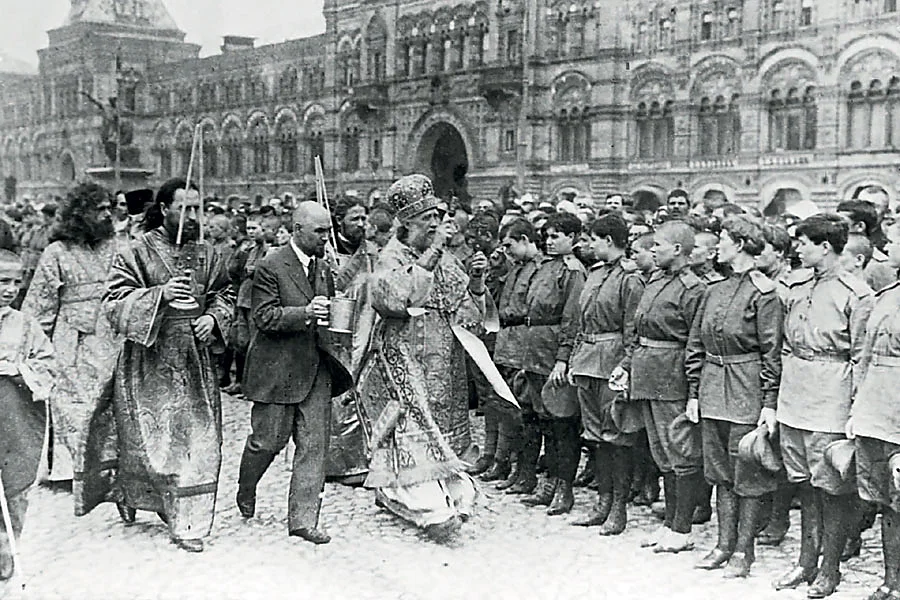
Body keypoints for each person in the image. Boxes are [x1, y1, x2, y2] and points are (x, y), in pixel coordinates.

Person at [356, 174, 494, 541]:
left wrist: (477, 283)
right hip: (403, 356)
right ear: (407, 223)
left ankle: (426, 497)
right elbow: (394, 300)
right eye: (427, 220)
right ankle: (422, 506)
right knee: (411, 430)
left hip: (441, 356)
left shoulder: (448, 259)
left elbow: (466, 309)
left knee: (440, 431)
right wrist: (432, 253)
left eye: (438, 217)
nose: (436, 225)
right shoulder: (389, 257)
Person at [103, 178, 235, 553]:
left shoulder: (208, 253)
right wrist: (158, 296)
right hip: (149, 359)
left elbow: (224, 292)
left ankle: (188, 521)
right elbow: (114, 301)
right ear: (164, 209)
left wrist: (214, 318)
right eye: (186, 208)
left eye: (199, 208)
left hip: (195, 360)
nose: (195, 216)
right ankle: (135, 494)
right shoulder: (136, 252)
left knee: (200, 440)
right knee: (152, 440)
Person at [236, 202, 352, 544]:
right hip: (278, 368)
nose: (326, 237)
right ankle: (247, 485)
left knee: (314, 445)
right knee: (267, 442)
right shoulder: (270, 265)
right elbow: (265, 317)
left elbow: (329, 309)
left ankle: (303, 519)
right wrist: (305, 311)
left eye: (328, 230)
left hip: (315, 367)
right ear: (298, 229)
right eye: (319, 231)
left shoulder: (323, 267)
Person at [773, 214, 874, 597]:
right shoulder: (796, 285)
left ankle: (830, 568)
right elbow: (784, 341)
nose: (796, 249)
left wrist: (853, 409)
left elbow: (860, 357)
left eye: (803, 243)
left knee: (831, 484)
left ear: (825, 246)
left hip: (831, 395)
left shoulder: (855, 293)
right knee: (802, 483)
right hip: (794, 391)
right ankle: (805, 561)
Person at [686, 216, 783, 578]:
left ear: (740, 245)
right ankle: (723, 545)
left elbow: (772, 353)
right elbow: (696, 344)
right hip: (713, 387)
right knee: (719, 473)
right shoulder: (713, 290)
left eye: (723, 239)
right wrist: (694, 392)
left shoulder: (764, 292)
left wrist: (769, 402)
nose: (717, 245)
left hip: (746, 388)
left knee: (746, 471)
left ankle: (744, 551)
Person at [21, 183, 124, 516]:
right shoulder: (57, 253)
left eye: (110, 208)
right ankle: (71, 470)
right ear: (81, 213)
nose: (107, 215)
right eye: (99, 209)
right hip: (72, 340)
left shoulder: (119, 247)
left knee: (111, 403)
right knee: (71, 405)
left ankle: (111, 466)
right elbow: (41, 303)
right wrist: (31, 346)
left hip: (112, 336)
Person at [613, 220, 706, 553]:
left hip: (672, 377)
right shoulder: (656, 280)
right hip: (647, 373)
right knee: (662, 455)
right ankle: (669, 523)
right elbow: (638, 332)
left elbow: (696, 344)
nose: (652, 250)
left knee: (680, 453)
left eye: (658, 245)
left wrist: (693, 391)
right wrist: (627, 368)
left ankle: (682, 528)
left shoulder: (693, 288)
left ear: (677, 249)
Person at [567, 213, 644, 534]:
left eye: (594, 239)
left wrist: (625, 368)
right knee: (595, 437)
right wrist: (574, 360)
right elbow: (581, 323)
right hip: (588, 361)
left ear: (609, 241)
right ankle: (602, 502)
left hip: (612, 363)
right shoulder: (595, 274)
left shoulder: (630, 279)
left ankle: (618, 508)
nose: (589, 245)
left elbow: (633, 331)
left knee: (616, 437)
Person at [518, 213, 586, 516]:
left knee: (562, 423)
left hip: (554, 354)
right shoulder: (546, 267)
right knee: (543, 420)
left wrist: (562, 359)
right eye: (547, 234)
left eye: (557, 235)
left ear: (574, 239)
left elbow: (572, 320)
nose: (549, 240)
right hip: (536, 351)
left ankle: (564, 487)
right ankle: (549, 481)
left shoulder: (573, 272)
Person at [848, 215, 900, 600]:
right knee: (886, 501)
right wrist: (857, 410)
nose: (890, 243)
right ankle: (892, 580)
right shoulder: (887, 296)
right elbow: (864, 357)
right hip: (876, 413)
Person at [0, 250, 55, 580]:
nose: (11, 289)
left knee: (14, 485)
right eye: (1, 282)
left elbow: (47, 365)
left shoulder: (25, 325)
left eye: (16, 282)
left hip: (14, 416)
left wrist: (17, 369)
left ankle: (6, 546)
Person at [493, 219, 542, 494]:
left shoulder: (538, 270)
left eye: (510, 245)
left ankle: (527, 473)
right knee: (511, 413)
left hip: (525, 346)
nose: (507, 251)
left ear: (525, 239)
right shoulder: (515, 269)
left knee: (528, 414)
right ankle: (514, 469)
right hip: (508, 345)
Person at [333, 196, 368, 260]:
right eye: (355, 219)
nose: (361, 224)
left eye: (363, 219)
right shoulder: (331, 247)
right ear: (339, 220)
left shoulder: (369, 248)